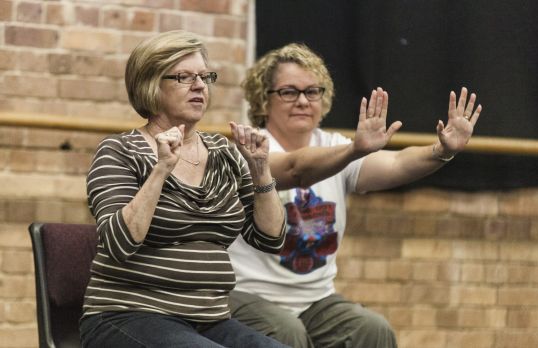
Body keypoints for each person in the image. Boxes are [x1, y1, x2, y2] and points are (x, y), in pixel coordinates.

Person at [79, 31, 398, 348]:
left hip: (208, 319)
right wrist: (161, 169)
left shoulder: (222, 152)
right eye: (184, 77)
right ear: (150, 84)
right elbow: (119, 242)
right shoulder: (120, 150)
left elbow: (271, 238)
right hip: (128, 315)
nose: (200, 86)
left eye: (205, 77)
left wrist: (260, 170)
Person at [228, 43, 482, 348]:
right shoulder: (249, 150)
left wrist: (441, 151)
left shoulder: (335, 145)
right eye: (288, 92)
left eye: (312, 92)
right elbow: (296, 169)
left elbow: (397, 163)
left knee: (372, 330)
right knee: (286, 334)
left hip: (314, 302)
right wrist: (353, 150)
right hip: (246, 296)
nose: (302, 101)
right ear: (263, 99)